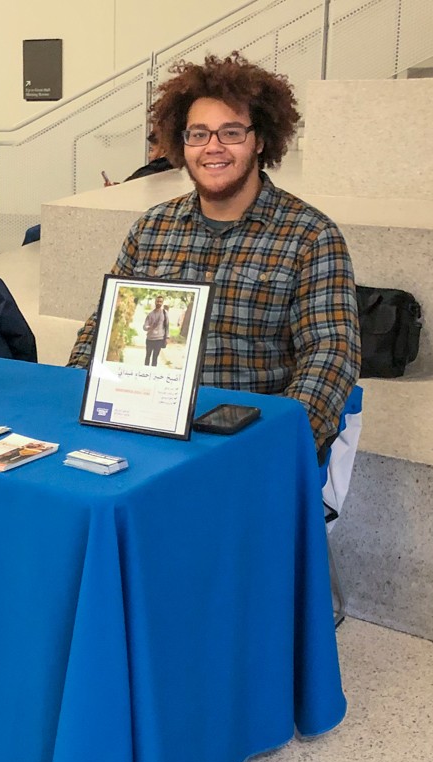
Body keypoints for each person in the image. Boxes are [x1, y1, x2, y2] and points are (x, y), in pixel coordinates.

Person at [67, 52, 360, 458]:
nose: (213, 148)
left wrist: (279, 446)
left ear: (259, 140)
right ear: (181, 143)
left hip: (246, 442)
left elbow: (330, 356)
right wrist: (73, 393)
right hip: (145, 431)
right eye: (198, 134)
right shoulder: (152, 228)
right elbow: (103, 327)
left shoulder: (311, 236)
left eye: (232, 133)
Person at [22, 127, 174, 246]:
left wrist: (116, 192)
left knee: (33, 233)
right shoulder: (165, 171)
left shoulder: (155, 171)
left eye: (152, 150)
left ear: (164, 150)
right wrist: (118, 189)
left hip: (106, 221)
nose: (149, 155)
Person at [143, 296, 168, 366]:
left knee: (155, 358)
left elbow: (167, 326)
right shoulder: (150, 314)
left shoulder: (165, 313)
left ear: (162, 303)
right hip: (150, 339)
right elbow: (144, 326)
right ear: (155, 302)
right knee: (147, 357)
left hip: (159, 339)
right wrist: (149, 327)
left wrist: (167, 338)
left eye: (160, 301)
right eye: (158, 301)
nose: (159, 303)